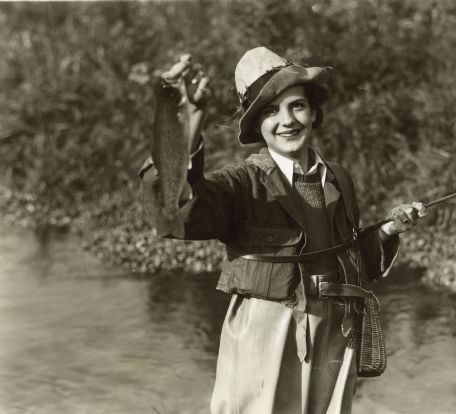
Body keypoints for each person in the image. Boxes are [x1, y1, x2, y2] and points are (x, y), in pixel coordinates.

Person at [140, 46, 425, 414]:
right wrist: (181, 127)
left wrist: (386, 231)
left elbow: (346, 261)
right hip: (266, 340)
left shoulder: (339, 178)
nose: (287, 121)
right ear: (256, 125)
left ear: (314, 111)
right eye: (271, 112)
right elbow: (177, 214)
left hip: (336, 338)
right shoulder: (241, 185)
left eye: (297, 106)